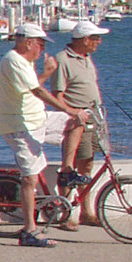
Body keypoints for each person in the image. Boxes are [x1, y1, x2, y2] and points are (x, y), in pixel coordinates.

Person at [0, 22, 90, 247]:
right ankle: (29, 230)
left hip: (38, 119)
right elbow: (37, 91)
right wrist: (68, 108)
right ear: (28, 43)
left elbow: (32, 86)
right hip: (21, 126)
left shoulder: (26, 63)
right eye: (40, 44)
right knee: (29, 178)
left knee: (75, 123)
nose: (41, 49)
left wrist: (47, 73)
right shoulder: (13, 60)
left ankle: (66, 172)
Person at [48, 18, 109, 228]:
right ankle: (65, 214)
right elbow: (57, 94)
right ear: (84, 39)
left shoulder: (86, 58)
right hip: (76, 121)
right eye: (96, 38)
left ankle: (86, 211)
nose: (99, 42)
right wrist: (72, 113)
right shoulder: (63, 59)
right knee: (69, 166)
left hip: (93, 117)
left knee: (87, 164)